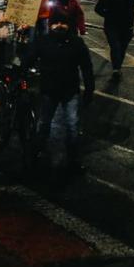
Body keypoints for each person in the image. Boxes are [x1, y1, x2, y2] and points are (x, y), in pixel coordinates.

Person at [22, 11, 95, 184]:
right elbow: (29, 60)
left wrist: (89, 89)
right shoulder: (43, 41)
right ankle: (36, 153)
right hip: (49, 91)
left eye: (63, 23)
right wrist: (22, 70)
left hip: (70, 91)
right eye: (55, 23)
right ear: (50, 25)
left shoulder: (77, 43)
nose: (59, 26)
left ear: (68, 25)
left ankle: (74, 160)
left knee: (72, 126)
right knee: (43, 124)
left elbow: (86, 67)